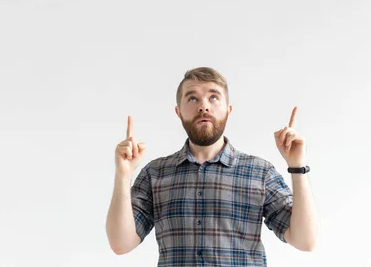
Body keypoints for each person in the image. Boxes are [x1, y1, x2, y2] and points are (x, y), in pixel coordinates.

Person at [106, 67, 319, 266]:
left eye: (213, 97)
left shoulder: (260, 172)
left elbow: (305, 241)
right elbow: (121, 244)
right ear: (178, 112)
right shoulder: (155, 173)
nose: (204, 106)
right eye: (192, 98)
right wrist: (123, 175)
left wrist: (297, 166)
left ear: (228, 110)